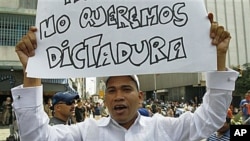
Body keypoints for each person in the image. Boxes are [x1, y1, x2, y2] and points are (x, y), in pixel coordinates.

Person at [11, 13, 239, 141]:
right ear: (106, 99)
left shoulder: (165, 128)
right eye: (111, 90)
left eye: (126, 89)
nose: (118, 96)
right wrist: (32, 72)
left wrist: (218, 57)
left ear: (140, 97)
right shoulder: (86, 132)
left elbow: (212, 117)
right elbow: (36, 138)